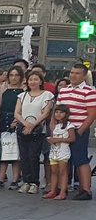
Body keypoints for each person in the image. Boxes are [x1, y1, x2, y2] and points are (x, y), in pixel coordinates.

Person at [56, 62, 95, 201]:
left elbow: (91, 114)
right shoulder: (64, 90)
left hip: (78, 129)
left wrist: (81, 130)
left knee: (81, 159)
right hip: (64, 130)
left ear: (84, 76)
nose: (73, 75)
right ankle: (62, 188)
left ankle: (86, 190)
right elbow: (58, 108)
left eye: (77, 73)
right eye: (72, 72)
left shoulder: (89, 92)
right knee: (63, 159)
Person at [14, 71, 54, 195]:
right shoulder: (22, 95)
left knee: (33, 156)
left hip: (38, 130)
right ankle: (26, 181)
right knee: (24, 156)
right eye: (31, 79)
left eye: (36, 79)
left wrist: (33, 125)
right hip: (23, 129)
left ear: (41, 81)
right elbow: (17, 113)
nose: (33, 82)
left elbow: (45, 113)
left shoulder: (47, 95)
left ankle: (34, 182)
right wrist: (26, 124)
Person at [0, 67, 25, 189]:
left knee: (16, 151)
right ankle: (1, 177)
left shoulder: (24, 90)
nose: (13, 78)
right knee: (4, 150)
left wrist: (18, 120)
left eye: (16, 75)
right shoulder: (3, 89)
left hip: (17, 121)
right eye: (11, 75)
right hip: (4, 120)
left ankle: (15, 179)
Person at [44, 105, 78, 200]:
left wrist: (58, 139)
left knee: (63, 172)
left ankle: (63, 192)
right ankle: (53, 191)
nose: (58, 115)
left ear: (66, 114)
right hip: (54, 151)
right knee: (54, 171)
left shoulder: (69, 125)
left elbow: (72, 138)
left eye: (61, 112)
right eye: (56, 112)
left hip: (63, 151)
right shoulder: (54, 125)